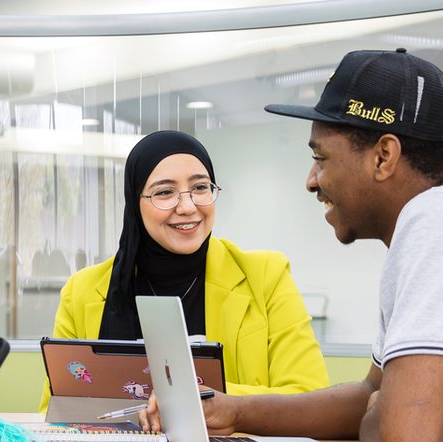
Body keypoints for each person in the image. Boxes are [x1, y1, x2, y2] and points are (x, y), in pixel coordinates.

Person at [143, 48, 443, 440]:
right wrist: (234, 412)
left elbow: (399, 434)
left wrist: (383, 415)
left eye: (322, 158)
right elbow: (370, 397)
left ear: (384, 156)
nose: (312, 181)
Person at [43, 130, 329, 407]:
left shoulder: (266, 276)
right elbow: (56, 406)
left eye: (200, 187)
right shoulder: (82, 292)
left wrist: (196, 396)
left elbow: (308, 398)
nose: (188, 206)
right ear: (134, 203)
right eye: (165, 192)